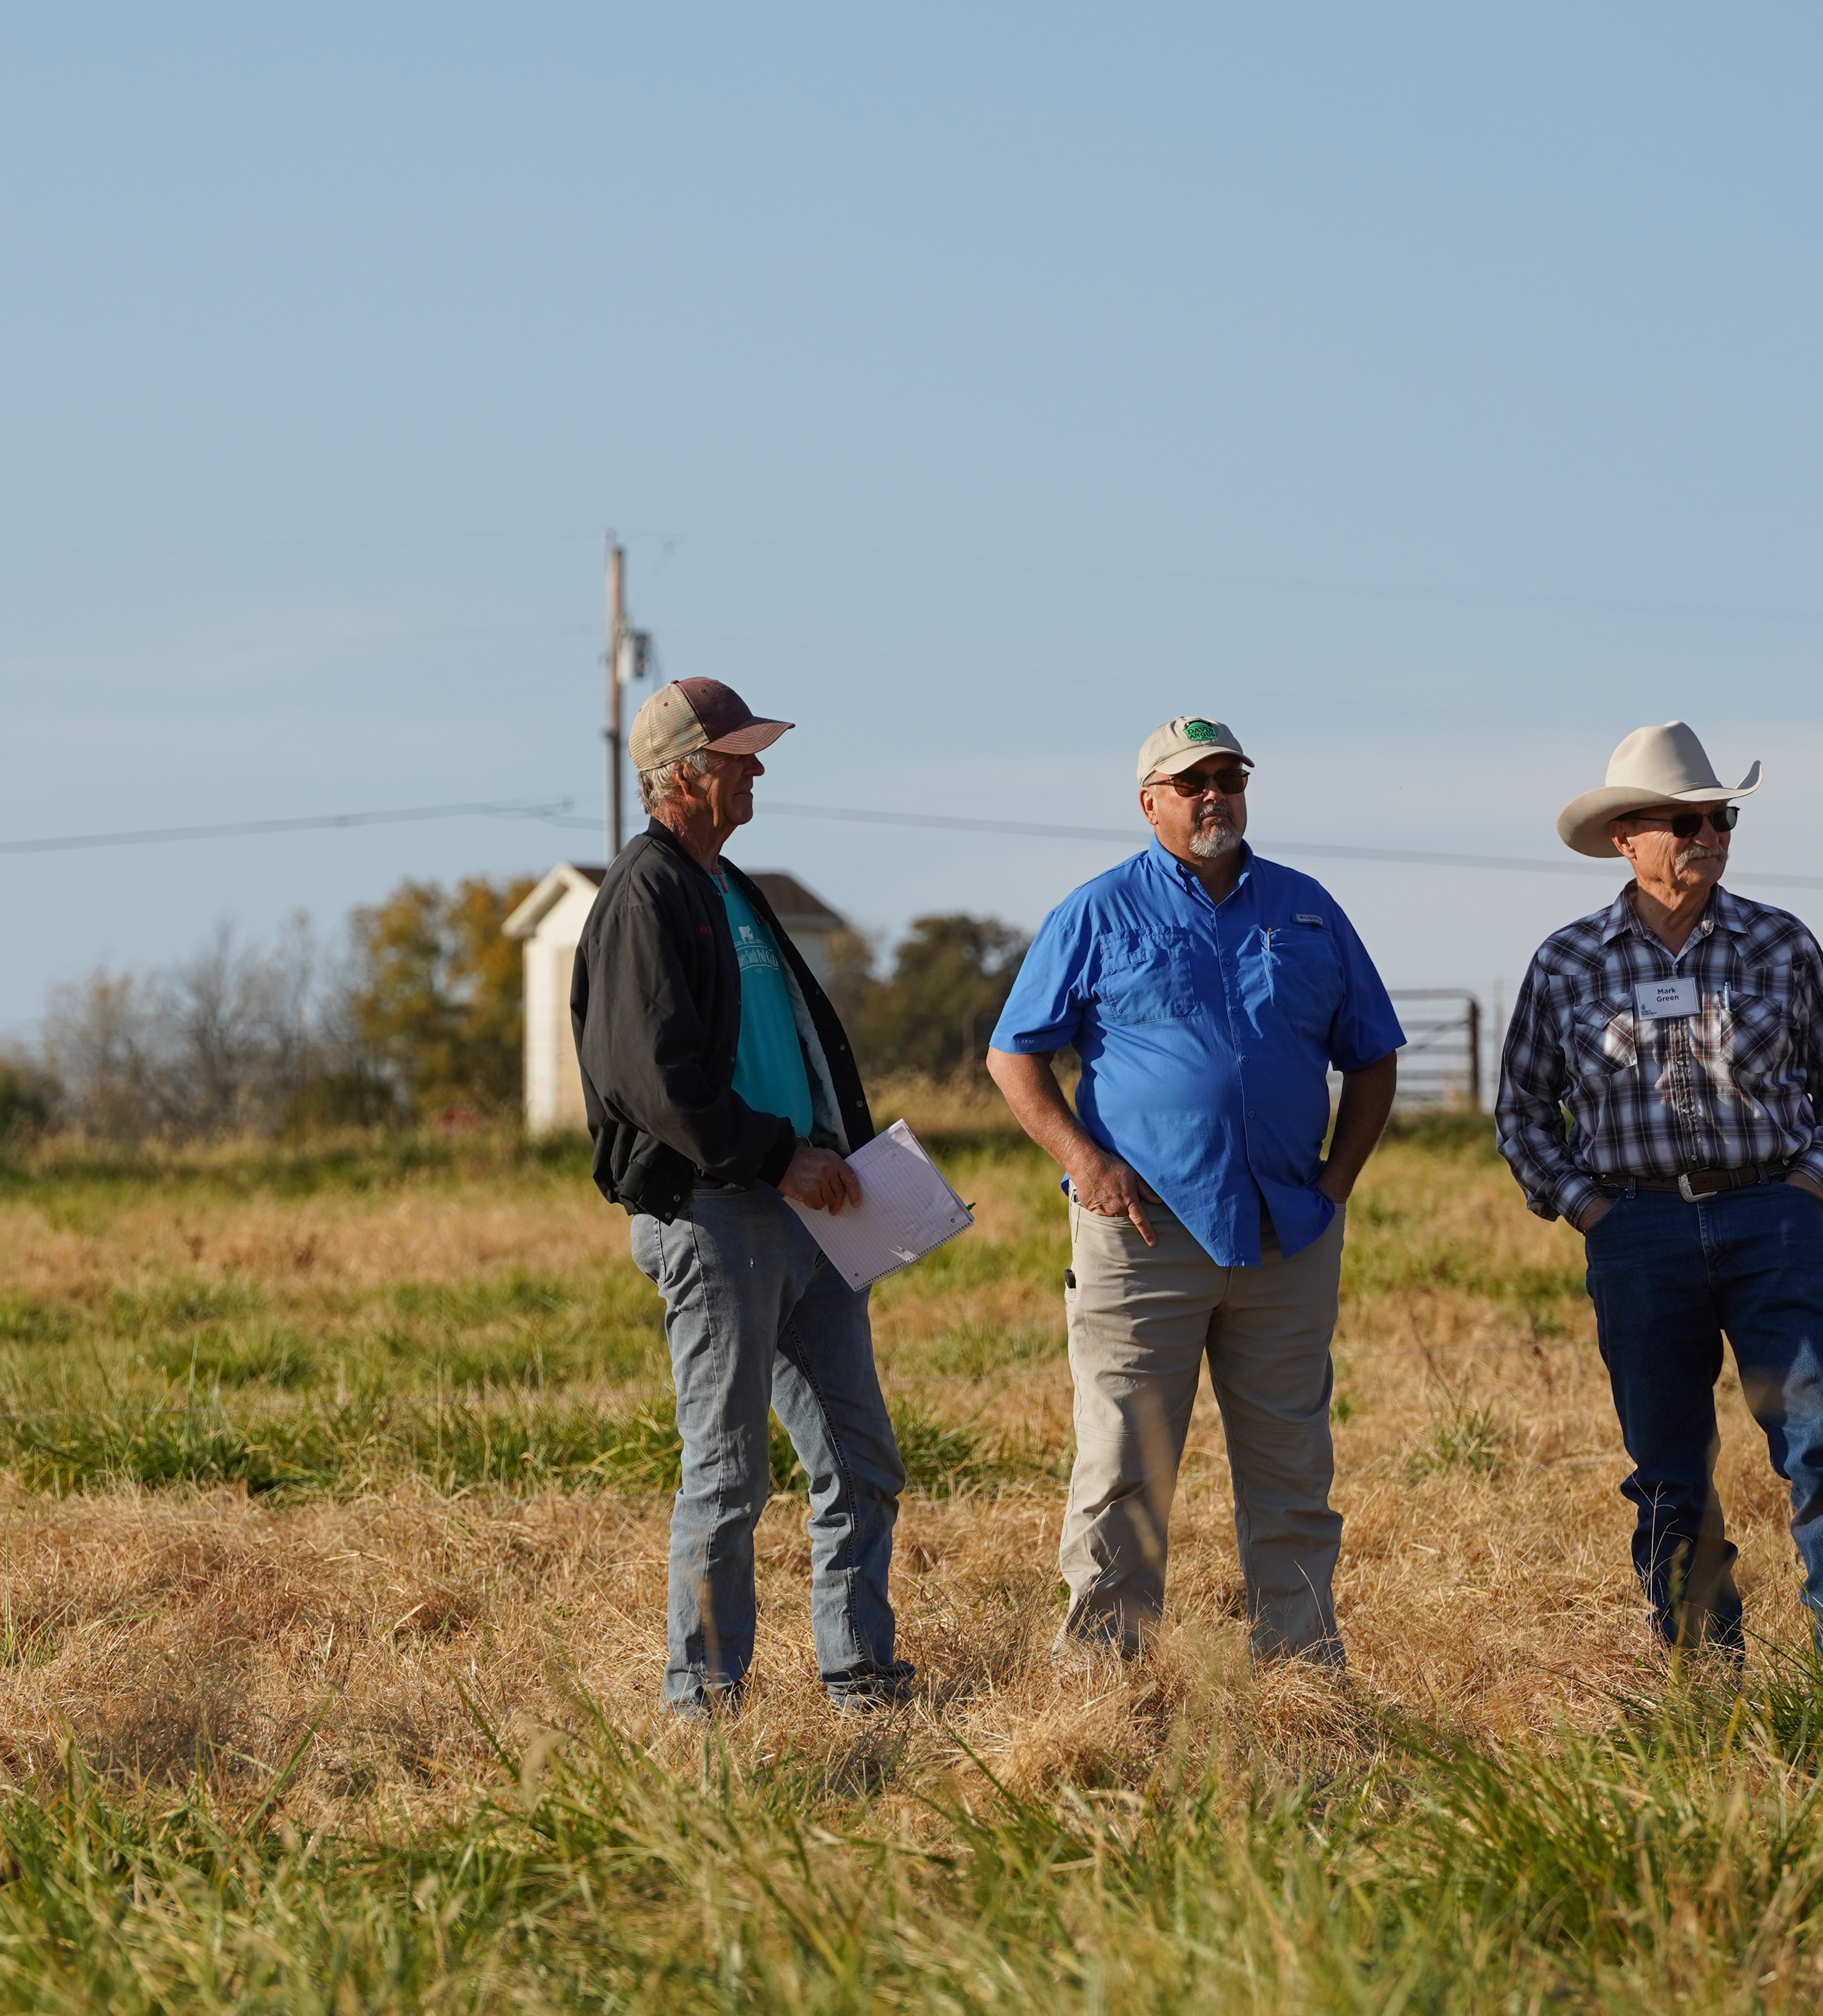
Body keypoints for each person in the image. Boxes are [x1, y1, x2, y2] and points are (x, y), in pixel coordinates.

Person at [985, 717, 1401, 1665]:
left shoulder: (1306, 909)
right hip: (1142, 1234)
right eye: (1191, 781)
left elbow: (1372, 1058)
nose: (1214, 793)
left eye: (1228, 775)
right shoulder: (1096, 912)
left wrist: (1335, 1184)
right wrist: (1086, 1165)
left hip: (1288, 1233)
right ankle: (1106, 1680)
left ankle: (1300, 1670)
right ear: (1151, 803)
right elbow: (1015, 1057)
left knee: (1292, 1470)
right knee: (1126, 1466)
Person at [1496, 721, 1823, 1660]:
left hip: (1773, 1221)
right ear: (1625, 838)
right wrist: (1587, 1206)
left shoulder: (1781, 943)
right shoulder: (1566, 963)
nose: (1709, 836)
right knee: (1671, 1473)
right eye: (1686, 822)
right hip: (1635, 1233)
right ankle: (1704, 1683)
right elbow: (1520, 1113)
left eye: (1720, 819)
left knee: (1822, 1441)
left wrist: (1807, 1188)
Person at [571, 677, 912, 1717]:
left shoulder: (732, 887)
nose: (757, 769)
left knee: (862, 1459)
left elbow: (792, 1045)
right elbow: (652, 1075)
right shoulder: (647, 893)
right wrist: (774, 1157)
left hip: (801, 1207)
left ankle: (858, 1671)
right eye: (738, 756)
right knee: (727, 1475)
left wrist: (831, 1152)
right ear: (682, 776)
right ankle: (702, 1704)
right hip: (720, 1211)